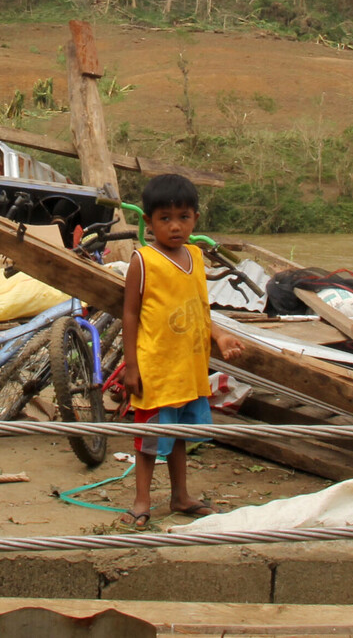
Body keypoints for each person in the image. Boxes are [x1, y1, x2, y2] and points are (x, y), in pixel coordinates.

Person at [119, 173, 244, 530]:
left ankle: (180, 496)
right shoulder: (143, 261)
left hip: (189, 369)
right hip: (156, 370)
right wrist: (131, 365)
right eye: (165, 219)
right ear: (149, 222)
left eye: (183, 218)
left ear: (196, 220)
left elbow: (199, 309)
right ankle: (142, 500)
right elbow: (129, 314)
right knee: (149, 441)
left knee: (180, 437)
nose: (175, 227)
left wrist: (218, 337)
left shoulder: (195, 256)